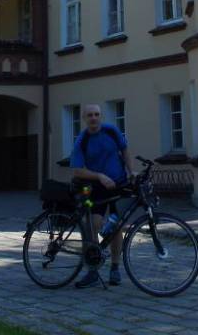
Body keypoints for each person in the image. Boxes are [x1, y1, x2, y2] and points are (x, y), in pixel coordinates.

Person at [70, 104, 134, 288]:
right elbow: (77, 170)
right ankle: (92, 270)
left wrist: (131, 171)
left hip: (118, 185)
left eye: (97, 114)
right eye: (90, 115)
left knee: (116, 226)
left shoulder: (111, 131)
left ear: (101, 116)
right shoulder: (82, 140)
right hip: (95, 189)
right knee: (93, 224)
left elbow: (125, 150)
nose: (94, 118)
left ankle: (115, 268)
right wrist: (99, 176)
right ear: (84, 118)